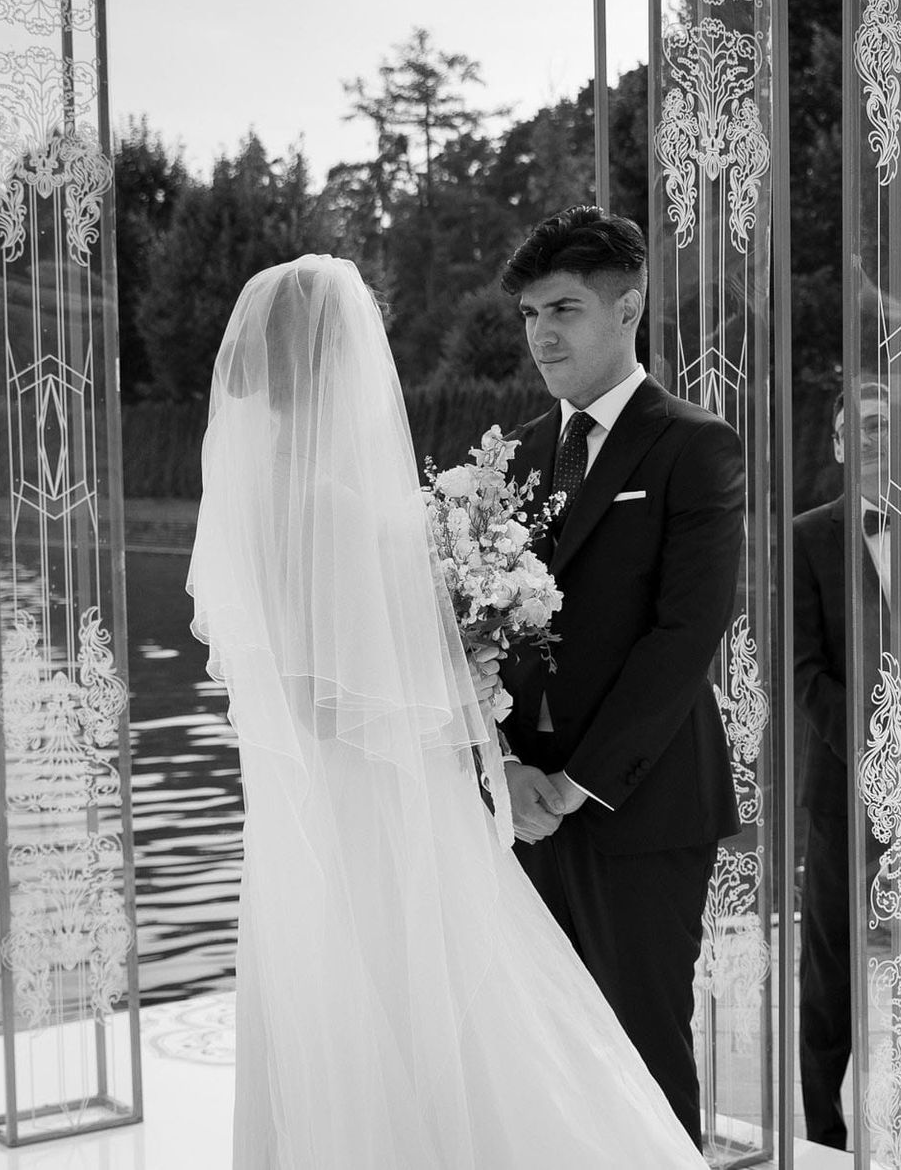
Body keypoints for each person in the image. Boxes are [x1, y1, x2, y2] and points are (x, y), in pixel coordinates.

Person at [190, 255, 706, 1169]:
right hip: (388, 803)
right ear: (334, 359)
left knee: (354, 1023)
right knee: (475, 1023)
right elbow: (347, 693)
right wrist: (468, 694)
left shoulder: (254, 493)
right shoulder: (334, 504)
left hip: (317, 812)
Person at [492, 206, 746, 1146]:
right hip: (518, 808)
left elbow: (686, 634)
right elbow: (475, 633)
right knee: (540, 1049)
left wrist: (575, 782)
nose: (542, 335)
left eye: (564, 309)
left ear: (627, 308)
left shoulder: (693, 444)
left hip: (639, 807)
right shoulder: (514, 454)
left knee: (641, 1050)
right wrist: (506, 767)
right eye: (530, 315)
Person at [789, 381, 901, 1149]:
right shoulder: (805, 537)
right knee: (830, 965)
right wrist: (877, 747)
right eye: (855, 427)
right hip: (842, 785)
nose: (871, 438)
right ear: (835, 444)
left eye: (886, 425)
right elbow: (801, 668)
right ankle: (823, 1133)